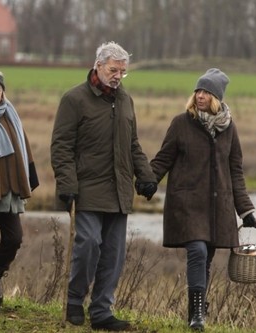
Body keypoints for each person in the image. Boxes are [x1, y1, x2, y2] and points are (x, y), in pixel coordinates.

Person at [50, 41, 157, 331]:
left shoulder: (126, 101)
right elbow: (61, 146)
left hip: (119, 191)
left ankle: (101, 311)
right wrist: (66, 184)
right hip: (86, 189)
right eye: (114, 69)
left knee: (113, 254)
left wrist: (146, 176)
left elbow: (132, 144)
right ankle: (74, 300)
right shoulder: (74, 99)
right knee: (88, 244)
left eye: (123, 71)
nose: (118, 76)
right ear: (98, 65)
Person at [150, 68, 256, 331]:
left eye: (206, 92)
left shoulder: (229, 129)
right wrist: (148, 181)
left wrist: (245, 210)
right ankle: (197, 314)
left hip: (217, 207)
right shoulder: (180, 123)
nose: (200, 96)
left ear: (217, 97)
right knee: (197, 251)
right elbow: (163, 158)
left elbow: (235, 171)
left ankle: (197, 311)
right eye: (198, 90)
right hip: (187, 203)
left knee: (206, 258)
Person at [0, 70, 39, 306]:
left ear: (3, 91)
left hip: (10, 189)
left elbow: (24, 145)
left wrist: (29, 177)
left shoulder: (10, 113)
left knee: (14, 238)